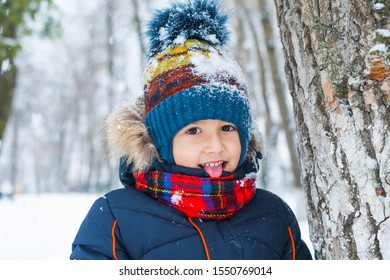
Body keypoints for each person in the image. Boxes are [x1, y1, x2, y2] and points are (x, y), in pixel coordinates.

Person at [70, 0, 312, 260]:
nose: (216, 145)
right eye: (194, 131)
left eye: (228, 128)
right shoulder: (117, 217)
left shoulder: (273, 215)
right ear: (162, 141)